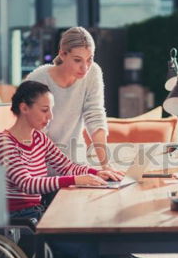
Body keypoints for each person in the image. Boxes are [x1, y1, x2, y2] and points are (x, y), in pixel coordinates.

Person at [0, 81, 174, 258]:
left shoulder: (39, 138)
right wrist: (74, 180)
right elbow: (26, 183)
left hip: (39, 218)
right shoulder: (4, 143)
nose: (50, 117)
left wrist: (98, 172)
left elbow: (66, 166)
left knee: (103, 242)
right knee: (88, 246)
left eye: (50, 111)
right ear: (24, 108)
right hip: (19, 228)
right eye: (44, 111)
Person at [25, 27, 122, 176]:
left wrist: (105, 165)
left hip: (77, 164)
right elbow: (35, 135)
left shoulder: (93, 72)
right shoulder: (38, 80)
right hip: (41, 170)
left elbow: (95, 116)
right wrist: (73, 172)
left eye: (90, 59)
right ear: (63, 54)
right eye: (77, 60)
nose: (85, 67)